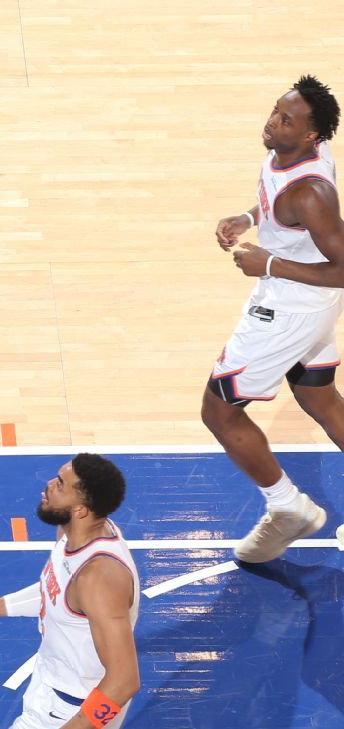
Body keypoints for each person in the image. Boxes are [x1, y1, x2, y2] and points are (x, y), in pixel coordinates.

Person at [210, 74, 344, 561]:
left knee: (219, 411)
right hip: (309, 306)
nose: (273, 123)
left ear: (311, 136)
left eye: (286, 120)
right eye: (275, 111)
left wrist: (266, 263)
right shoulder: (292, 153)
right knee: (320, 399)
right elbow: (278, 203)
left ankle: (288, 507)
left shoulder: (311, 192)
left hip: (288, 308)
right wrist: (250, 218)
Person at [0, 455, 140, 729]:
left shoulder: (99, 577)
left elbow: (124, 681)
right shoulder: (74, 534)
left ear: (81, 509)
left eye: (60, 484)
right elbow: (57, 592)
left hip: (72, 708)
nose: (48, 486)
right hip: (50, 685)